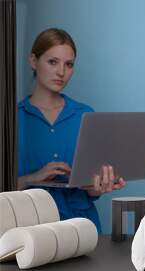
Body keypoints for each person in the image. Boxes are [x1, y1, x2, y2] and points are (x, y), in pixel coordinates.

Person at [17, 28, 126, 233]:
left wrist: (97, 187)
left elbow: (92, 188)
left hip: (82, 228)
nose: (61, 72)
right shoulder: (12, 118)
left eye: (69, 64)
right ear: (33, 61)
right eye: (52, 62)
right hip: (29, 230)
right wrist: (33, 177)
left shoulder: (86, 115)